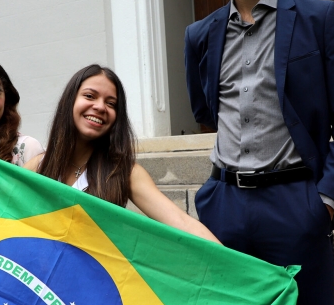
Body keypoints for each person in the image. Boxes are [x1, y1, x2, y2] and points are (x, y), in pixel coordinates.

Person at [184, 0, 334, 305]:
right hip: (223, 205)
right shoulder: (199, 35)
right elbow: (205, 111)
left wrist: (326, 202)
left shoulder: (320, 18)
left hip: (296, 205)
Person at [25, 64, 221, 244]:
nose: (100, 107)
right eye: (90, 96)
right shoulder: (38, 166)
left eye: (111, 104)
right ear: (70, 102)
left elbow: (181, 222)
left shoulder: (125, 172)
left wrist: (240, 268)